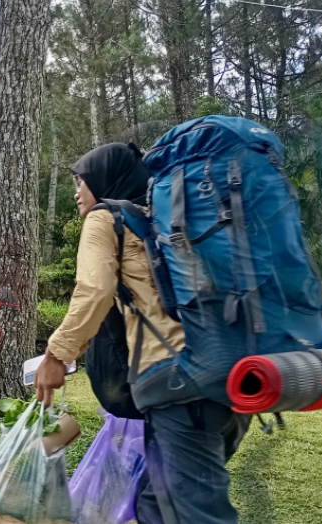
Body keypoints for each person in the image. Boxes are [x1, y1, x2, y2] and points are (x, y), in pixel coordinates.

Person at [33, 143, 250, 524]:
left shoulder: (106, 218)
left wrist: (56, 356)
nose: (77, 192)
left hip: (181, 384)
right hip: (236, 377)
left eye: (81, 181)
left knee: (186, 510)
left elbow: (94, 291)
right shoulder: (171, 222)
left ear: (105, 179)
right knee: (157, 503)